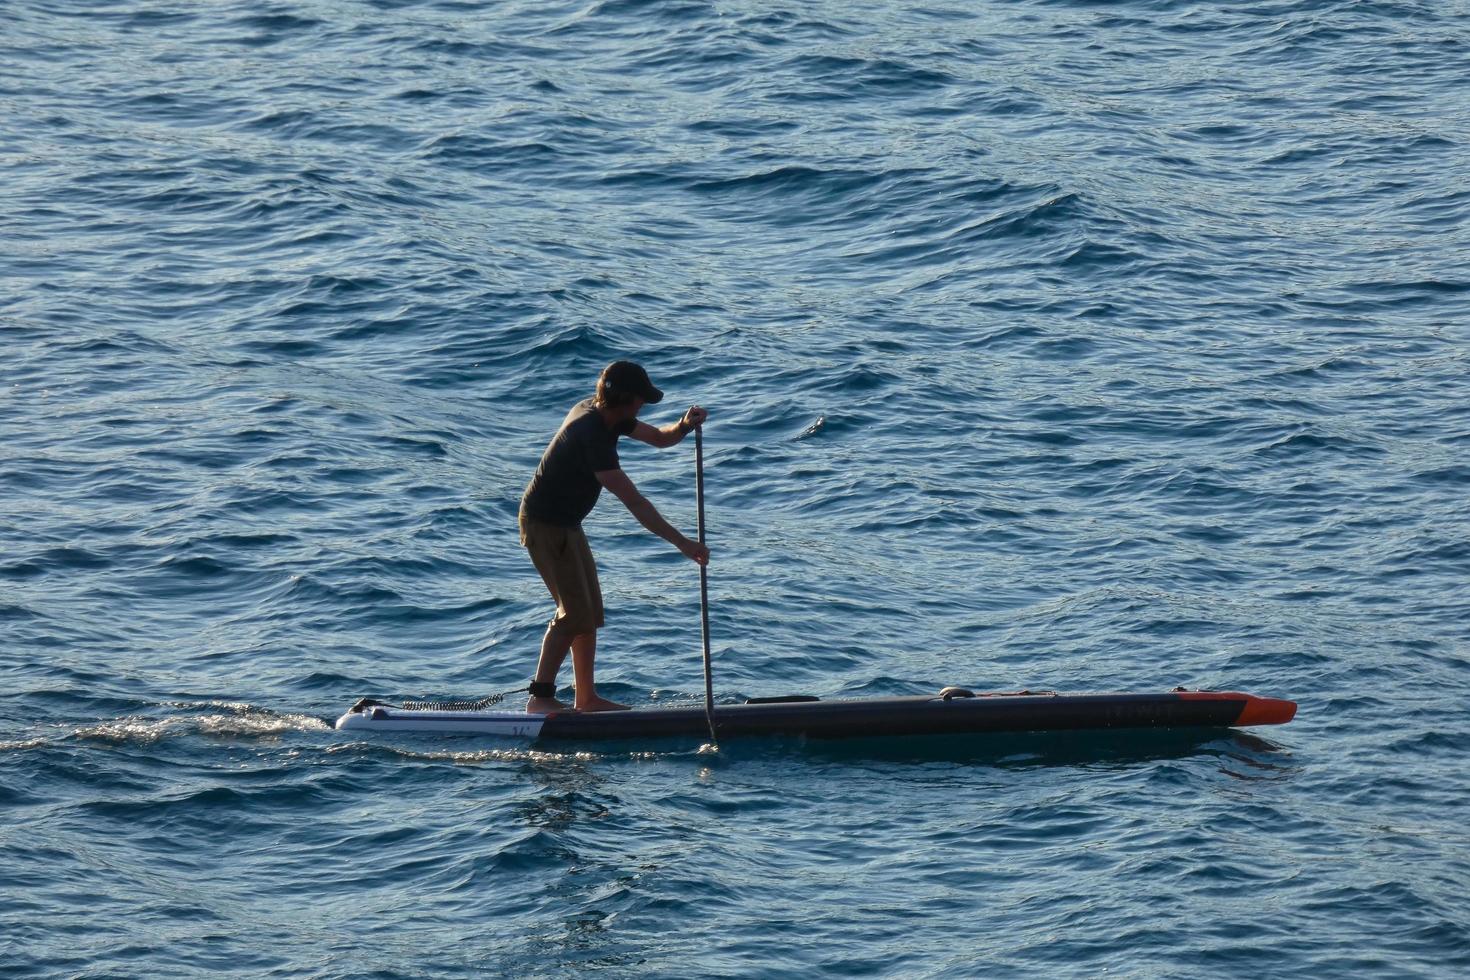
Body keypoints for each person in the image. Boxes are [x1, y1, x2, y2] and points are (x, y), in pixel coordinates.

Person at [519, 361, 710, 713]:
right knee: (573, 613)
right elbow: (636, 503)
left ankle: (586, 699)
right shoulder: (592, 435)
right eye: (640, 400)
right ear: (623, 398)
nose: (642, 407)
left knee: (587, 613)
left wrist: (684, 426)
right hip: (544, 525)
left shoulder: (608, 414)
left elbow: (657, 437)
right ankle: (540, 698)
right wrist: (683, 543)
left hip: (567, 524)